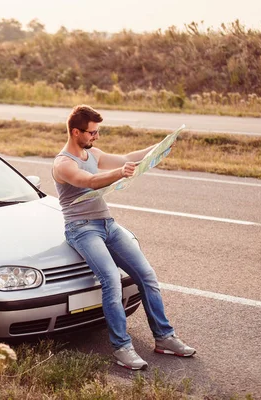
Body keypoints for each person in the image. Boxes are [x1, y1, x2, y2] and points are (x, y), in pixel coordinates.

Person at [52, 104, 195, 370]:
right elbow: (90, 182)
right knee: (111, 280)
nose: (96, 137)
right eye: (92, 133)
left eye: (97, 132)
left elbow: (127, 157)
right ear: (75, 132)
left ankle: (164, 337)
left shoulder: (92, 152)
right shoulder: (63, 164)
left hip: (107, 224)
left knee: (147, 275)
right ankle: (122, 347)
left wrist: (159, 148)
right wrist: (120, 173)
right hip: (81, 228)